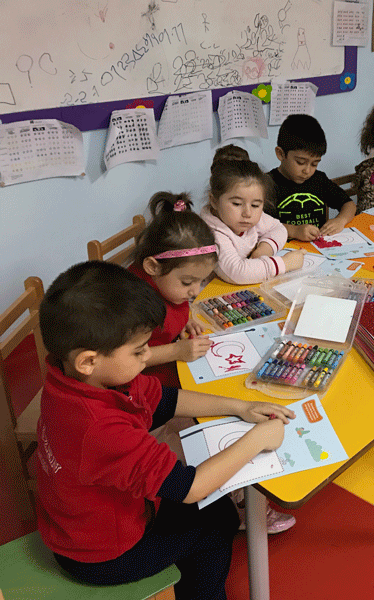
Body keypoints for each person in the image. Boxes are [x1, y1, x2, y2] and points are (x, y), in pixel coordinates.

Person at [35, 261, 296, 600]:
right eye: (139, 351)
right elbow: (190, 488)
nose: (148, 356)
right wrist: (256, 439)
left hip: (80, 522)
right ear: (88, 360)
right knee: (216, 525)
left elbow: (164, 399)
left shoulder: (75, 378)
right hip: (101, 555)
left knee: (216, 509)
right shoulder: (100, 428)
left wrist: (240, 407)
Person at [130, 191, 216, 389]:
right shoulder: (133, 303)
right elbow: (127, 358)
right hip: (145, 384)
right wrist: (176, 351)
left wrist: (184, 321)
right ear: (153, 267)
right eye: (187, 282)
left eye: (201, 281)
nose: (195, 292)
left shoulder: (167, 284)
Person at [201, 149, 305, 285]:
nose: (247, 213)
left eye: (255, 205)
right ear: (214, 201)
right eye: (237, 204)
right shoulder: (211, 234)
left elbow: (278, 228)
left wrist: (265, 248)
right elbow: (238, 273)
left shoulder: (247, 217)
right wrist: (285, 263)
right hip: (212, 292)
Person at [265, 114, 357, 241]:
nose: (307, 171)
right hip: (283, 249)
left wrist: (340, 220)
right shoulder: (266, 184)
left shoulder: (319, 180)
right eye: (300, 162)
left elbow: (349, 204)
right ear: (281, 154)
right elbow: (260, 226)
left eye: (314, 164)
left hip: (319, 247)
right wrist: (294, 231)